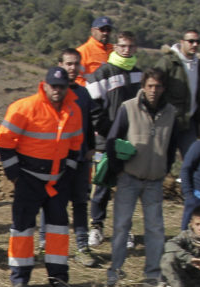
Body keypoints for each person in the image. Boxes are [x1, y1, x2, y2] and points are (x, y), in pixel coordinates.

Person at [0, 67, 84, 287]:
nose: (57, 90)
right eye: (53, 86)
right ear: (44, 85)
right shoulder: (24, 107)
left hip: (58, 181)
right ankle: (19, 279)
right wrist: (15, 175)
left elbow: (76, 145)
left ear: (67, 88)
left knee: (58, 230)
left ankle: (58, 278)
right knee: (22, 229)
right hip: (29, 179)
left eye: (61, 86)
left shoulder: (73, 111)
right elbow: (4, 142)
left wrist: (69, 173)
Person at [105, 68, 180, 287]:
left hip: (154, 180)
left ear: (163, 88)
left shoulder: (170, 113)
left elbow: (172, 144)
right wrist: (118, 169)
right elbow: (112, 140)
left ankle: (153, 274)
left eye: (158, 86)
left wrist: (165, 168)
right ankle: (114, 272)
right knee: (121, 226)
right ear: (143, 87)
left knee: (155, 229)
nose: (153, 91)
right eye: (150, 86)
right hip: (129, 177)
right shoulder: (128, 108)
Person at [84, 30, 142, 248]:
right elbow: (93, 107)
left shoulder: (139, 74)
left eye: (130, 46)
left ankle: (124, 229)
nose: (126, 50)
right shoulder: (102, 73)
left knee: (127, 187)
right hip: (105, 139)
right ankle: (96, 227)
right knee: (101, 185)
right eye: (122, 46)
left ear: (135, 48)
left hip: (130, 142)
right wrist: (109, 131)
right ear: (115, 47)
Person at [59, 49, 100, 267]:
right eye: (68, 64)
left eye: (76, 64)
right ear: (60, 65)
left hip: (81, 158)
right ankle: (45, 244)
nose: (72, 68)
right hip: (57, 159)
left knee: (80, 203)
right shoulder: (54, 92)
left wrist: (92, 149)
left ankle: (82, 247)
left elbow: (90, 124)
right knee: (53, 203)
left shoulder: (84, 93)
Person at [153, 29, 200, 157]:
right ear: (182, 42)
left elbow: (197, 96)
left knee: (192, 160)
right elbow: (153, 84)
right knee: (164, 159)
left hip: (189, 122)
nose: (195, 44)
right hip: (169, 120)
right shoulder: (168, 62)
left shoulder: (197, 65)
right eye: (191, 41)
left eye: (197, 41)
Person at [75, 16, 115, 84]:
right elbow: (77, 79)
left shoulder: (114, 50)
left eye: (108, 30)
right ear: (93, 31)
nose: (105, 33)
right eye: (102, 29)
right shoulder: (82, 52)